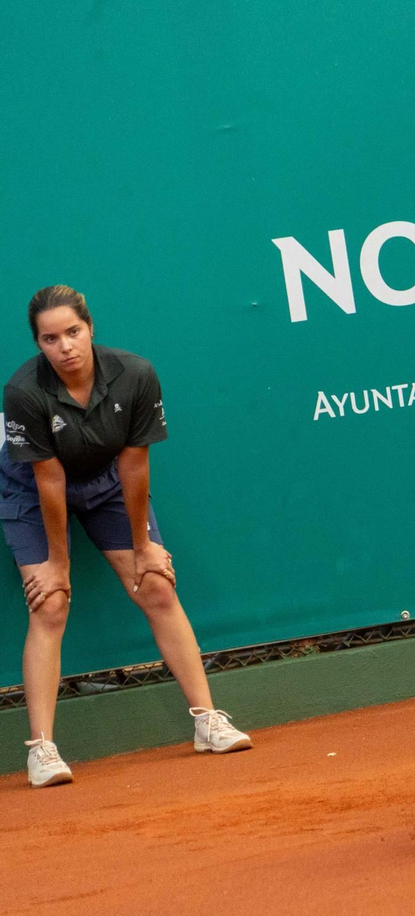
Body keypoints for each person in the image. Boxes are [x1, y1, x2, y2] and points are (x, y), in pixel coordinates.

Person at [3, 286, 251, 789]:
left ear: (91, 328)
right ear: (38, 344)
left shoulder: (135, 374)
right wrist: (58, 563)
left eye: (73, 332)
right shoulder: (24, 392)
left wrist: (143, 548)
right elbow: (48, 480)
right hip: (31, 487)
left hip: (107, 481)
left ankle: (208, 719)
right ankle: (42, 750)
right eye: (50, 339)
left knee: (156, 583)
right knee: (50, 603)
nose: (65, 346)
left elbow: (134, 464)